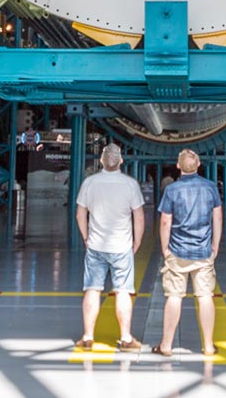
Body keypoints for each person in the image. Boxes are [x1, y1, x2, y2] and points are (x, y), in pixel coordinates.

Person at [73, 143, 146, 353]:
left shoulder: (90, 183)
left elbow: (80, 214)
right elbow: (139, 216)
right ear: (121, 161)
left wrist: (86, 237)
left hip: (96, 245)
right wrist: (137, 241)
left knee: (92, 289)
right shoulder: (130, 184)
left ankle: (87, 337)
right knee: (123, 291)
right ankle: (125, 338)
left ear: (101, 161)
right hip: (122, 247)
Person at [154, 149, 223, 358]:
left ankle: (166, 345)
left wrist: (165, 249)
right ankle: (209, 346)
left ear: (178, 166)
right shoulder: (211, 188)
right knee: (205, 296)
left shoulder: (172, 190)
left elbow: (165, 221)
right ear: (199, 164)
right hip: (203, 252)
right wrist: (215, 246)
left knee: (174, 296)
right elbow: (217, 219)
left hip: (177, 251)